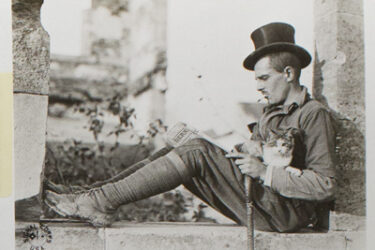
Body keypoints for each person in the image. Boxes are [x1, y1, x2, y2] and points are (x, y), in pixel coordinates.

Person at [45, 22, 336, 233]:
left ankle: (98, 202)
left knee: (196, 152)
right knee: (185, 145)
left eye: (263, 78)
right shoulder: (272, 113)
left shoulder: (313, 115)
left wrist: (264, 171)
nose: (257, 86)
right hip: (262, 199)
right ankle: (89, 196)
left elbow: (326, 185)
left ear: (288, 73)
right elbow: (262, 157)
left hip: (284, 213)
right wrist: (248, 149)